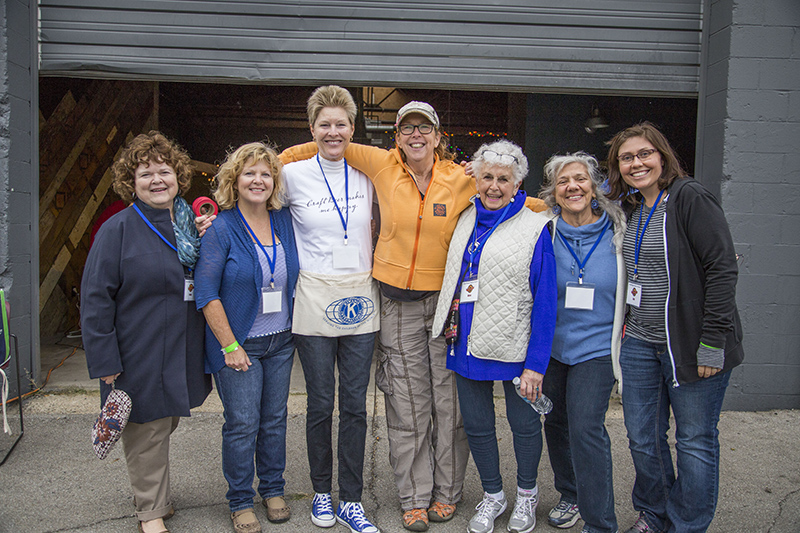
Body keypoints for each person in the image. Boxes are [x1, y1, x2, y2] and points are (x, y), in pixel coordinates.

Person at [280, 99, 476, 533]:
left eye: (425, 129)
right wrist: (274, 159)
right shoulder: (382, 164)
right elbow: (328, 145)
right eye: (407, 129)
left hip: (445, 306)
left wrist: (559, 211)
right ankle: (413, 498)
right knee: (406, 405)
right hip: (394, 303)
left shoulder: (461, 178)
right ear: (397, 137)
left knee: (448, 404)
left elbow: (508, 192)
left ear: (438, 137)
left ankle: (447, 493)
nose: (416, 136)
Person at [605, 122, 744, 533]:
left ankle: (687, 524)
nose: (636, 163)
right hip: (641, 343)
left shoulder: (688, 197)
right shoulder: (631, 207)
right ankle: (655, 514)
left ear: (661, 156)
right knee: (641, 438)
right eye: (626, 158)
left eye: (644, 154)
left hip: (689, 342)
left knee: (695, 441)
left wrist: (712, 343)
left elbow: (722, 269)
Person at [81, 131, 211, 533]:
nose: (157, 180)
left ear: (179, 176)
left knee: (164, 422)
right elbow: (94, 300)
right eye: (146, 174)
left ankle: (159, 498)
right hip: (137, 349)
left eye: (164, 171)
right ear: (130, 183)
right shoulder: (116, 230)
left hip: (180, 345)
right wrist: (104, 361)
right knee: (146, 430)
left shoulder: (189, 224)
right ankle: (149, 514)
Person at [431, 140, 557, 533]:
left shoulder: (536, 227)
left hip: (515, 345)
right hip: (466, 340)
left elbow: (546, 300)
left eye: (504, 179)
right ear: (476, 179)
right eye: (487, 176)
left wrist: (536, 364)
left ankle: (526, 493)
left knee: (523, 426)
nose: (494, 186)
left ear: (518, 184)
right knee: (478, 425)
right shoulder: (466, 216)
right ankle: (492, 495)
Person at [284, 85, 380, 533]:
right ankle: (322, 492)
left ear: (353, 128)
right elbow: (251, 202)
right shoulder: (292, 174)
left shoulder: (369, 172)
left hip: (360, 294)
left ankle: (352, 499)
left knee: (356, 406)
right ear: (312, 129)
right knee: (321, 403)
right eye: (325, 124)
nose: (333, 131)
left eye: (341, 123)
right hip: (315, 296)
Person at [194, 142, 299, 533]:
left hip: (281, 341)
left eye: (266, 173)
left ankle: (273, 489)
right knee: (241, 423)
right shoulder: (221, 228)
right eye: (250, 173)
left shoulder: (285, 221)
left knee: (274, 420)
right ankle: (239, 500)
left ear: (275, 182)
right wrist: (230, 345)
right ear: (234, 181)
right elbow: (206, 293)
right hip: (240, 343)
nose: (259, 180)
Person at [538, 152, 627, 533]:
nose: (572, 186)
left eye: (580, 179)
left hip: (597, 348)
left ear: (594, 187)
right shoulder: (543, 231)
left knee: (586, 427)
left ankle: (600, 522)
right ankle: (570, 493)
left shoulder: (620, 232)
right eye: (563, 181)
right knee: (555, 422)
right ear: (553, 192)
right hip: (553, 347)